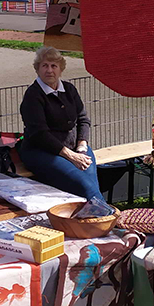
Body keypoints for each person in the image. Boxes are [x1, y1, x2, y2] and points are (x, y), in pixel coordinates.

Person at [18, 46, 104, 201]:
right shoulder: (33, 95)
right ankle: (109, 219)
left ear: (60, 69)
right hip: (42, 152)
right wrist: (71, 156)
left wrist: (82, 146)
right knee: (86, 187)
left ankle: (92, 219)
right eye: (44, 65)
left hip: (75, 148)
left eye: (54, 66)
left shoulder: (69, 89)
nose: (49, 70)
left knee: (92, 184)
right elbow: (40, 134)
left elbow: (83, 119)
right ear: (37, 69)